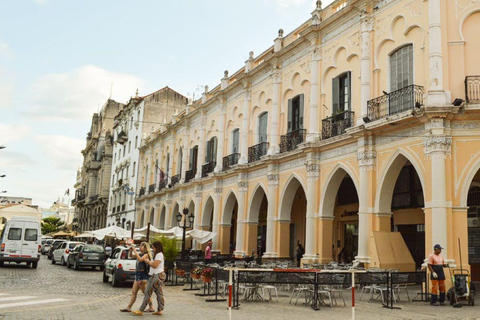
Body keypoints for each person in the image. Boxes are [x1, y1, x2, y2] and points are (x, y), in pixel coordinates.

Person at [132, 241, 166, 316]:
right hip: (157, 275)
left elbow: (154, 265)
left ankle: (141, 310)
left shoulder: (159, 255)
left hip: (156, 276)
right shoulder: (158, 255)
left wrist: (148, 261)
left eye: (153, 247)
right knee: (159, 293)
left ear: (157, 247)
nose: (153, 249)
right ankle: (160, 310)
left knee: (148, 292)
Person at [120, 242, 154, 313]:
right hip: (138, 275)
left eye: (142, 246)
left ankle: (151, 306)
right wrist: (131, 250)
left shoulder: (146, 255)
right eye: (140, 246)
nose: (140, 247)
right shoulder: (140, 254)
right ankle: (129, 307)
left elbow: (141, 259)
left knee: (145, 292)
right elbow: (131, 256)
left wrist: (135, 250)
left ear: (145, 248)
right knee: (134, 291)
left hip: (142, 275)